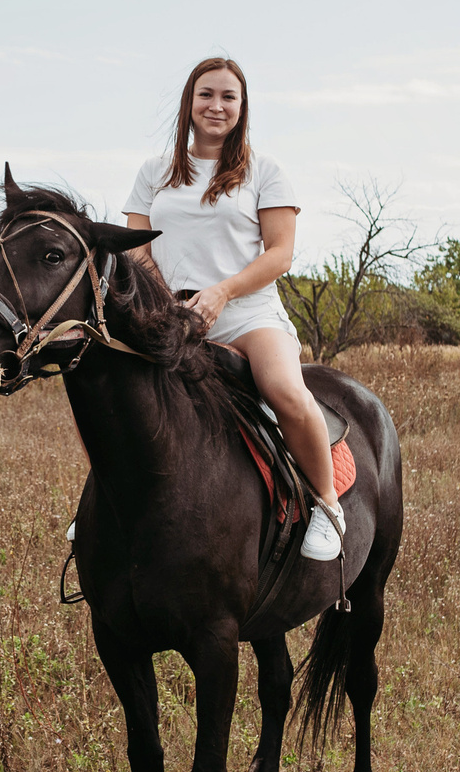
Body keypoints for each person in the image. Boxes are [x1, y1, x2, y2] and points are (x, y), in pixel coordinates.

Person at [123, 55, 344, 561]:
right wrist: (168, 301)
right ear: (189, 102)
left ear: (242, 108)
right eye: (206, 94)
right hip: (172, 316)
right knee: (112, 391)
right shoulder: (154, 172)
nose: (216, 106)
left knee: (286, 392)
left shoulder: (264, 170)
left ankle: (329, 506)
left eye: (229, 97)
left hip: (248, 315)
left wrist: (220, 293)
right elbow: (136, 247)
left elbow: (279, 254)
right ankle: (103, 507)